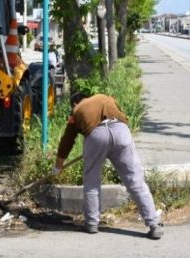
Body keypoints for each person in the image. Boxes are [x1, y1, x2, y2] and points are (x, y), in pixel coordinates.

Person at [53, 92, 163, 239]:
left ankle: (92, 223)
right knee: (135, 180)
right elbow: (123, 116)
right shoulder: (104, 97)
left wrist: (58, 166)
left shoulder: (77, 109)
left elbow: (67, 140)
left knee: (91, 180)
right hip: (120, 132)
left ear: (74, 103)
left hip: (95, 136)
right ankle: (153, 224)